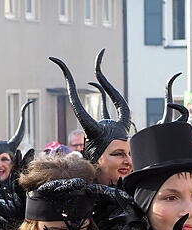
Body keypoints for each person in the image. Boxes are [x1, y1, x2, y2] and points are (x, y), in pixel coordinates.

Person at [51, 50, 133, 186]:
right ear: (95, 160)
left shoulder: (139, 199)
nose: (128, 161)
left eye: (130, 153)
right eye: (118, 154)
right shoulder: (78, 200)